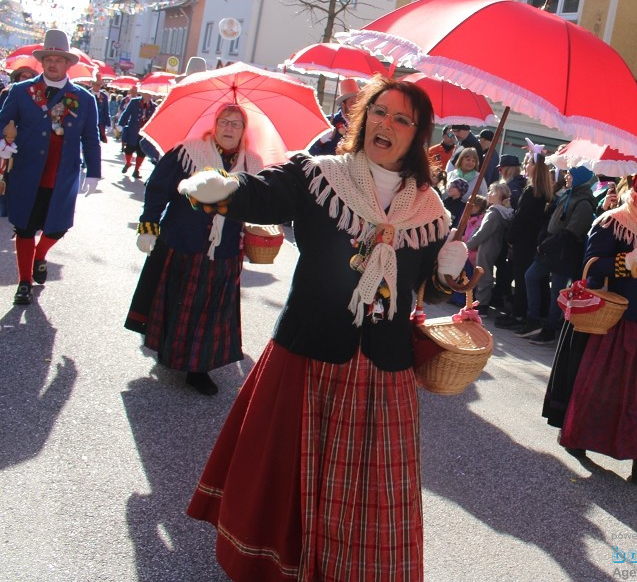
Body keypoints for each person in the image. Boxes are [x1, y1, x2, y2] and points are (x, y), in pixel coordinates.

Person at [185, 75, 468, 580]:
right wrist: (228, 190)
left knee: (374, 493)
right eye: (379, 111)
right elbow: (264, 193)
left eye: (402, 119)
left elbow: (427, 292)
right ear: (364, 118)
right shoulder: (320, 176)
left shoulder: (431, 212)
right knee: (289, 479)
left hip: (384, 366)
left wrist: (450, 271)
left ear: (418, 136)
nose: (387, 123)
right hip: (309, 353)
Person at [124, 105, 264, 395]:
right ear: (214, 125)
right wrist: (148, 226)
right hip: (182, 241)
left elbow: (259, 204)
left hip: (223, 250)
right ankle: (170, 351)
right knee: (178, 301)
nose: (229, 128)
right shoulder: (188, 152)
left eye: (236, 124)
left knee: (211, 310)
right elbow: (158, 188)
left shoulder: (252, 163)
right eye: (223, 122)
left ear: (243, 129)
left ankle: (198, 369)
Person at [550, 174, 637, 482]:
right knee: (601, 385)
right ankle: (579, 436)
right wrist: (625, 261)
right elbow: (591, 266)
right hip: (613, 321)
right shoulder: (613, 221)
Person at [0, 29, 101, 306]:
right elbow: (2, 122)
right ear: (42, 62)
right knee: (24, 228)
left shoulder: (84, 98)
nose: (53, 64)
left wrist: (94, 172)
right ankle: (23, 282)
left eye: (59, 59)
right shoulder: (22, 91)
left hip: (62, 176)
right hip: (27, 173)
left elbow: (91, 138)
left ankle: (40, 256)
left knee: (56, 229)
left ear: (68, 64)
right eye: (49, 59)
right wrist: (3, 144)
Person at [517, 165, 596, 343]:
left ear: (579, 177)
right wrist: (544, 238)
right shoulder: (569, 195)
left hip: (563, 253)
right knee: (531, 277)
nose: (567, 177)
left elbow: (572, 232)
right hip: (552, 249)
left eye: (570, 174)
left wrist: (547, 244)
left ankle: (549, 329)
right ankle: (533, 319)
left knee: (557, 292)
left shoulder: (583, 202)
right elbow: (553, 220)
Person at [495, 149, 555, 330]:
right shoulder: (545, 192)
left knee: (521, 279)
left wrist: (510, 236)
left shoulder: (532, 192)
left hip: (524, 242)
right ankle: (524, 313)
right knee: (527, 279)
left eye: (528, 163)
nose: (525, 166)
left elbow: (521, 218)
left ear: (536, 168)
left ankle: (519, 314)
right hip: (533, 242)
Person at [465, 182, 514, 315]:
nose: (488, 194)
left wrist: (468, 245)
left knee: (482, 272)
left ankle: (482, 304)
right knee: (485, 272)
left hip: (487, 245)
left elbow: (483, 232)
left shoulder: (494, 213)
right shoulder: (503, 212)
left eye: (491, 192)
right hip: (495, 245)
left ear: (498, 195)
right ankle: (482, 302)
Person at [309, 77, 359, 156]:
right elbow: (309, 153)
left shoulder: (362, 126)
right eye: (352, 103)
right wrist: (321, 141)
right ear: (343, 104)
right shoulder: (327, 121)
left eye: (359, 103)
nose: (356, 107)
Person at [118, 90, 157, 179]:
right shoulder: (134, 102)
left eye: (150, 94)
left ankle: (136, 170)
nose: (149, 95)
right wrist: (121, 124)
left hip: (144, 134)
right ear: (142, 93)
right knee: (129, 149)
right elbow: (126, 113)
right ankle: (128, 163)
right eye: (147, 93)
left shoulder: (154, 106)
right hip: (133, 131)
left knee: (141, 152)